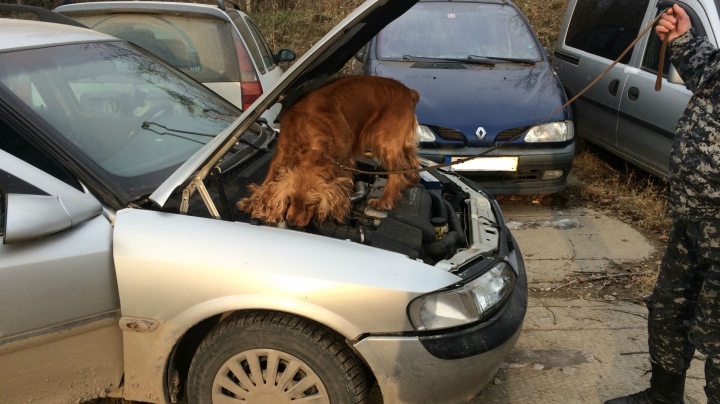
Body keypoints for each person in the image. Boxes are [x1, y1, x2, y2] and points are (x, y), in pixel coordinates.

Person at [605, 4, 720, 404]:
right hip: (692, 214)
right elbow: (708, 73)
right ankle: (663, 395)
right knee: (670, 308)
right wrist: (683, 38)